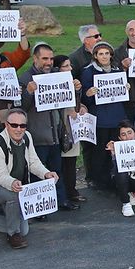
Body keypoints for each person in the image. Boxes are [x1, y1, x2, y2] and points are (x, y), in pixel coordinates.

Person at [0, 107, 57, 249]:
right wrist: (13, 183)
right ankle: (12, 235)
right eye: (14, 125)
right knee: (14, 197)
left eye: (22, 125)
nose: (18, 129)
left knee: (24, 230)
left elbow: (33, 162)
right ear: (6, 125)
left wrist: (47, 173)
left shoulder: (27, 137)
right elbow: (1, 176)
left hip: (16, 185)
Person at [18, 42, 78, 211]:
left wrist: (75, 90)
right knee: (37, 174)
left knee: (56, 170)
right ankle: (40, 207)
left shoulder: (57, 75)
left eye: (51, 59)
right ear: (35, 58)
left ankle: (61, 200)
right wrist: (28, 93)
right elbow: (18, 108)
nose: (49, 62)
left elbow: (68, 101)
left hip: (55, 134)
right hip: (36, 136)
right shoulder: (24, 78)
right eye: (45, 58)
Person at [79, 41, 126, 192]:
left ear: (111, 55)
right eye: (101, 54)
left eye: (107, 53)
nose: (104, 56)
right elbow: (84, 98)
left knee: (116, 150)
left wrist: (125, 88)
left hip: (116, 116)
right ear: (95, 56)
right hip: (99, 118)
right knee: (99, 152)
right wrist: (88, 94)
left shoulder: (117, 70)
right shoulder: (88, 72)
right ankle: (98, 181)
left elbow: (123, 95)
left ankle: (115, 178)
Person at [50, 55, 87, 204]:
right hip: (58, 127)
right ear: (58, 68)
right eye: (66, 66)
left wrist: (78, 94)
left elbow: (77, 104)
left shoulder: (72, 83)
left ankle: (71, 191)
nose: (70, 69)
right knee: (59, 164)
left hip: (71, 127)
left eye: (70, 65)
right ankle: (61, 195)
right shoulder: (50, 83)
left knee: (70, 162)